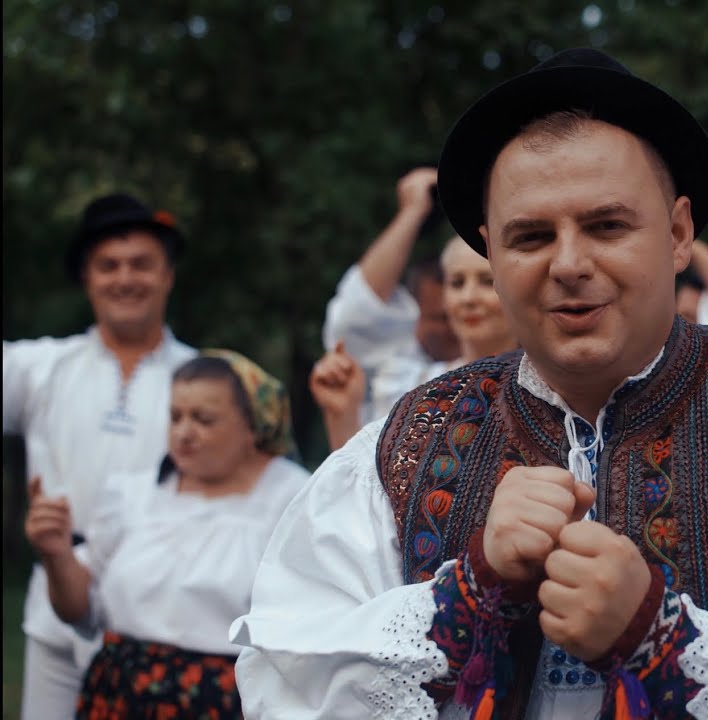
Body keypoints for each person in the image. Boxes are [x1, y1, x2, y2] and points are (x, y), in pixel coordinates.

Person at [232, 48, 708, 718]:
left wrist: (659, 635)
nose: (569, 264)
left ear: (678, 234)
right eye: (530, 236)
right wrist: (465, 593)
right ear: (489, 254)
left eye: (608, 226)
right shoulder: (412, 436)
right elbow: (285, 680)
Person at [25, 350, 308, 719]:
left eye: (203, 419)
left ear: (253, 425)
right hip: (120, 696)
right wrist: (57, 555)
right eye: (175, 417)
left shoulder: (292, 499)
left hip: (224, 703)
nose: (184, 432)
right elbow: (80, 612)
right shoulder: (132, 496)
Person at [3, 193, 196, 719]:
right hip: (53, 599)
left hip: (156, 608)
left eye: (141, 264)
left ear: (167, 275)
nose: (125, 278)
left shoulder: (201, 379)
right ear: (87, 277)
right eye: (108, 265)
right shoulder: (43, 367)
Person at [311, 234, 518, 449]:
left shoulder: (539, 386)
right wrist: (342, 415)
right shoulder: (410, 387)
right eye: (457, 283)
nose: (468, 298)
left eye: (486, 282)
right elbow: (367, 469)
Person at [319, 166, 460, 425]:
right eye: (441, 317)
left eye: (483, 284)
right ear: (414, 314)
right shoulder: (395, 375)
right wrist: (413, 211)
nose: (457, 324)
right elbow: (355, 313)